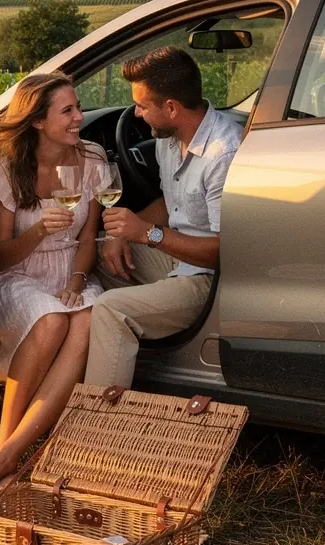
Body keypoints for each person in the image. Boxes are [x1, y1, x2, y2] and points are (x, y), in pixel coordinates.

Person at [0, 72, 111, 502]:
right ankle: (4, 450)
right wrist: (37, 233)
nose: (79, 118)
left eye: (78, 107)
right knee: (52, 319)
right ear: (37, 121)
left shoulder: (91, 158)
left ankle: (4, 457)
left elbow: (88, 238)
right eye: (67, 111)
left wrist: (76, 280)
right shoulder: (7, 169)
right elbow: (1, 256)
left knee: (90, 316)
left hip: (72, 270)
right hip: (19, 274)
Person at [84, 46, 243, 389]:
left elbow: (222, 253)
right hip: (172, 260)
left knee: (112, 309)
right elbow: (170, 203)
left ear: (170, 107)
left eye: (141, 106)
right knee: (87, 257)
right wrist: (121, 235)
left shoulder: (222, 154)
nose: (137, 115)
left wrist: (147, 234)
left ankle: (98, 426)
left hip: (207, 280)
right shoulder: (168, 139)